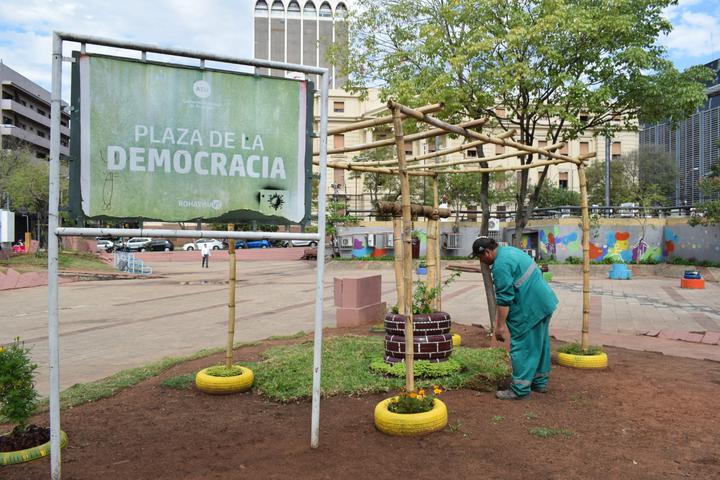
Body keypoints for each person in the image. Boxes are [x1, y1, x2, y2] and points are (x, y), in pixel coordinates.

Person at [472, 237, 558, 400]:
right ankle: (539, 382)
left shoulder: (500, 266)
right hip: (544, 303)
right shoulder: (511, 251)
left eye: (480, 258)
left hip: (531, 308)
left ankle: (520, 389)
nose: (481, 262)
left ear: (488, 253)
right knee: (539, 344)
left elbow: (504, 299)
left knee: (522, 346)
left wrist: (499, 327)